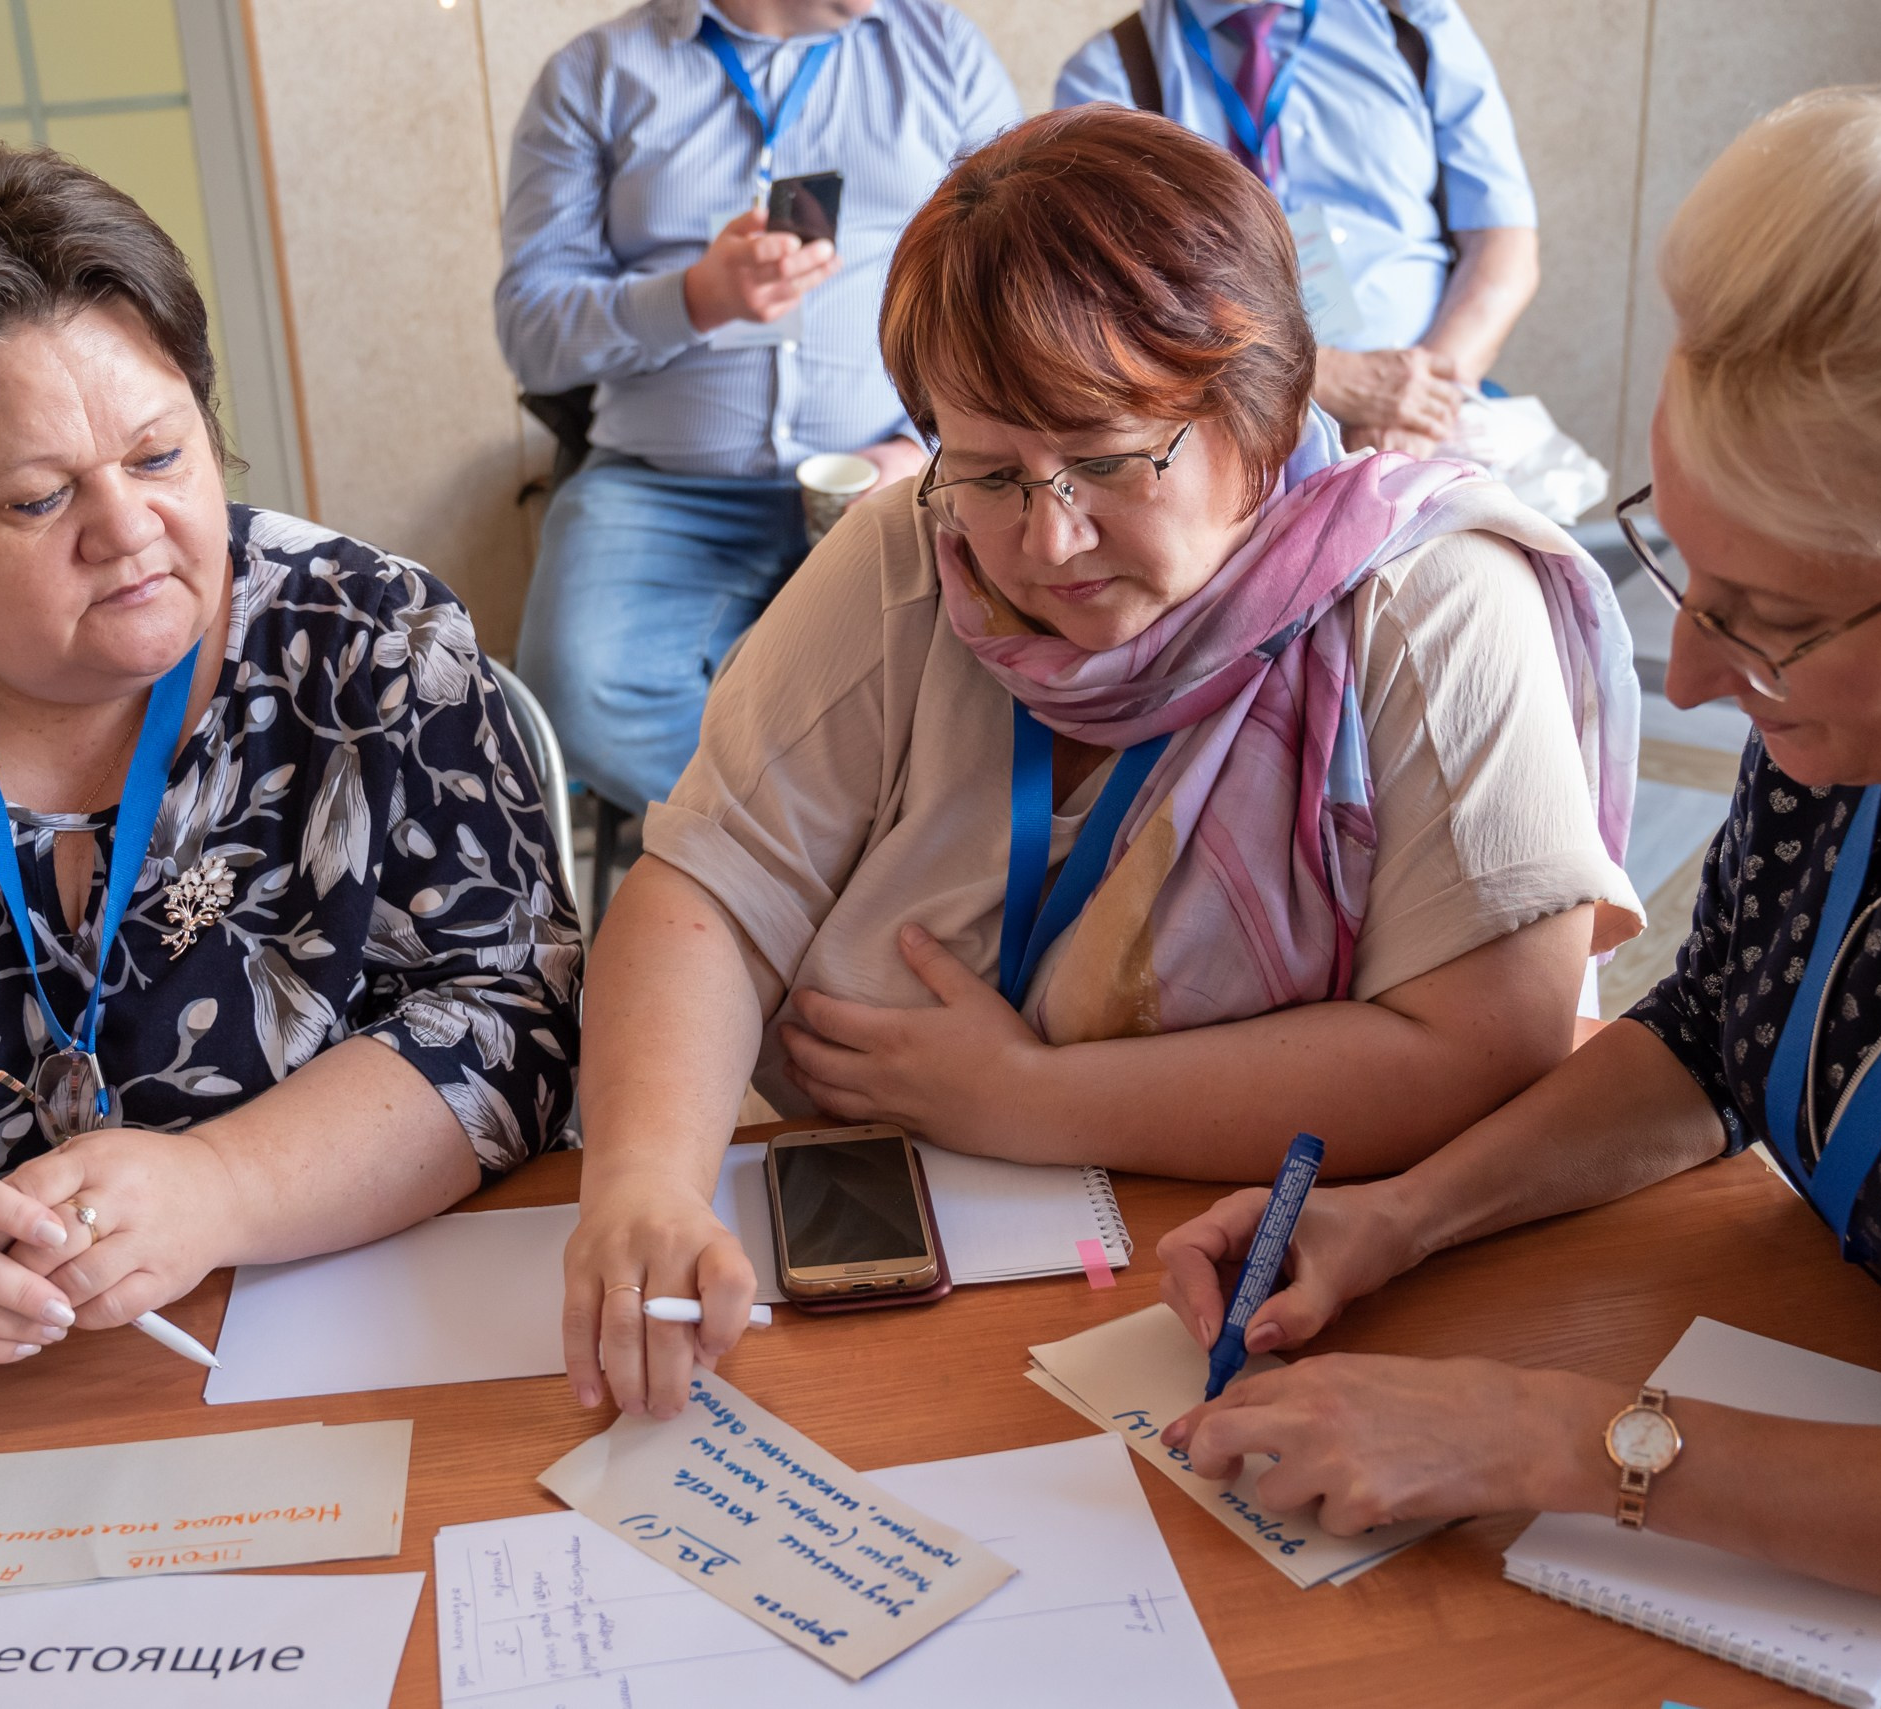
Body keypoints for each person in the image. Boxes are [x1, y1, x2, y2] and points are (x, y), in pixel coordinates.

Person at [1154, 91, 1881, 1651]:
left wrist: (1559, 1439)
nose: (1690, 678)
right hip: (1870, 1405)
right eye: (1689, 568)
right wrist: (1399, 1216)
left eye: (1772, 620)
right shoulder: (1853, 726)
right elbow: (1716, 1030)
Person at [564, 106, 1641, 1417]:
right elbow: (708, 888)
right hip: (905, 1283)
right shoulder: (915, 549)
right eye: (990, 472)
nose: (1048, 542)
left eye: (1106, 461)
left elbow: (1490, 1040)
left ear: (1261, 406)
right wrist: (643, 1181)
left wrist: (1036, 1099)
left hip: (1267, 1294)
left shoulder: (1429, 605)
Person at [0, 147, 581, 1365]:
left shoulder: (368, 640)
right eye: (37, 499)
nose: (128, 530)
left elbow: (518, 1009)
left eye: (160, 456)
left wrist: (227, 1186)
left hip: (335, 1352)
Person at [496, 0, 1021, 816]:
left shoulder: (942, 50)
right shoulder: (593, 77)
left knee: (1001, 686)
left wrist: (925, 449)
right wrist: (693, 299)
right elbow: (531, 333)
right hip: (661, 489)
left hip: (902, 478)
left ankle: (814, 858)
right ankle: (808, 856)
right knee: (576, 693)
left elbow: (1015, 285)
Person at [1056, 0, 1539, 456]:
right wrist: (1328, 382)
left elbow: (1504, 245)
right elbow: (1123, 313)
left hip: (1440, 407)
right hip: (1240, 433)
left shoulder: (1413, 21)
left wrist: (1418, 408)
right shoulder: (1110, 73)